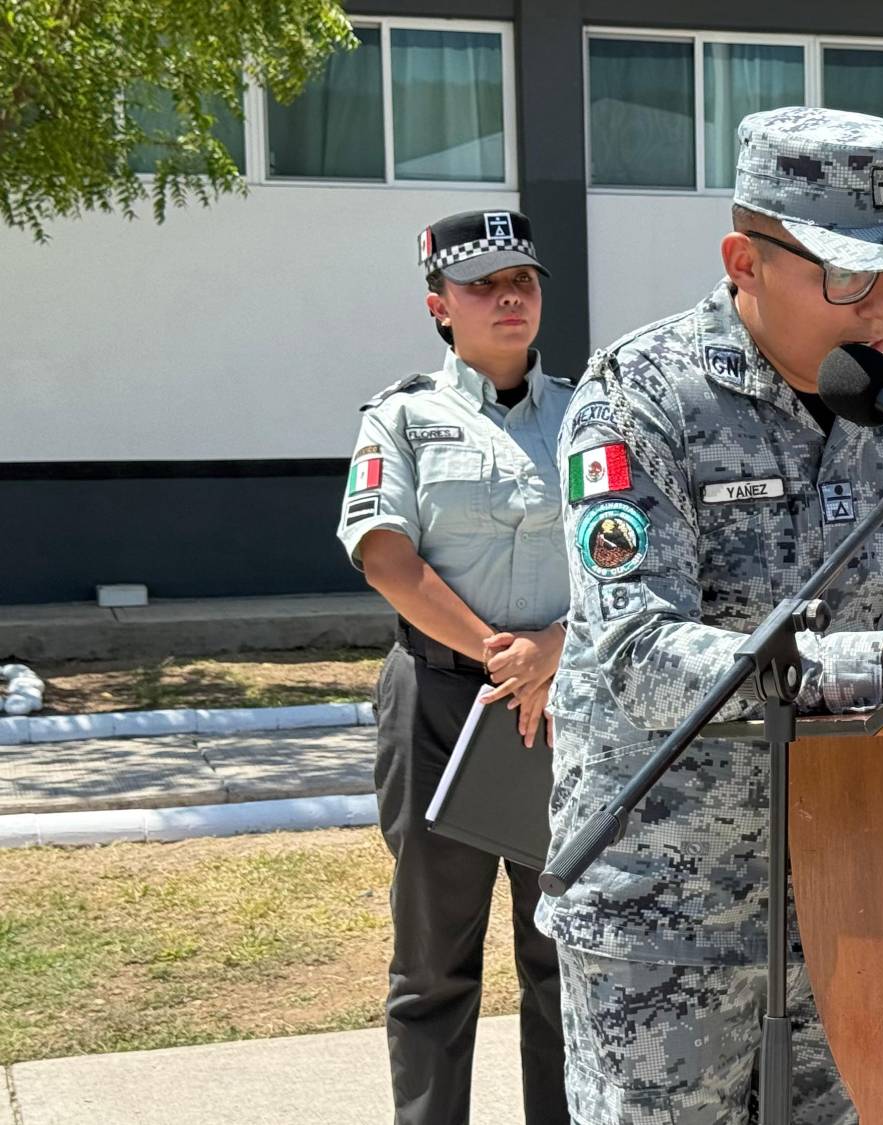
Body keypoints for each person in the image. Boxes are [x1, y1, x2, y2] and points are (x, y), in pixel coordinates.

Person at [540, 107, 883, 1125]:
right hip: (667, 909)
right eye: (853, 275)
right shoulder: (640, 397)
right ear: (746, 261)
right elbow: (641, 653)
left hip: (857, 896)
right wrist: (882, 663)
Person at [337, 209, 573, 1125]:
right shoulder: (401, 418)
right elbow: (387, 559)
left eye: (523, 280)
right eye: (482, 285)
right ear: (439, 305)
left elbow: (630, 551)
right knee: (434, 964)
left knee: (565, 954)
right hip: (439, 702)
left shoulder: (590, 416)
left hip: (563, 702)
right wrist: (502, 654)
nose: (509, 298)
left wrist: (553, 649)